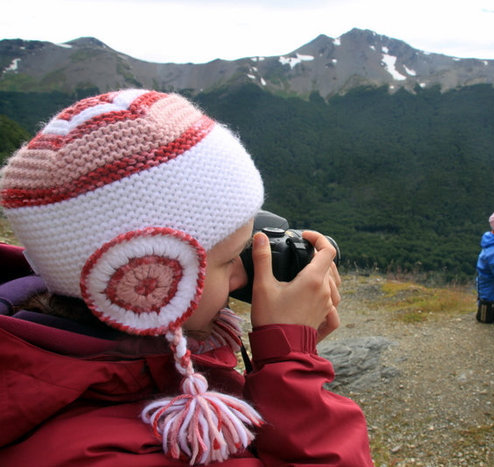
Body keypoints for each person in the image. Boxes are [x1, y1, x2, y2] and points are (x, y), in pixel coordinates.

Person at [0, 89, 373, 466]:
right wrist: (291, 363)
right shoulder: (110, 455)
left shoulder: (109, 370)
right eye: (230, 260)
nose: (246, 275)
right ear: (150, 282)